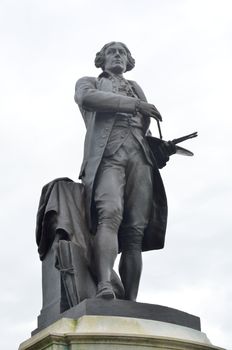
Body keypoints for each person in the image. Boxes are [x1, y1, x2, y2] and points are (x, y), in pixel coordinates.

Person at [74, 42, 167, 301]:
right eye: (112, 52)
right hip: (108, 156)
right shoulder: (88, 82)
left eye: (122, 52)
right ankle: (105, 283)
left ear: (129, 61)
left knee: (135, 231)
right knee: (110, 214)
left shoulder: (136, 87)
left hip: (140, 157)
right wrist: (135, 105)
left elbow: (144, 131)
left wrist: (161, 149)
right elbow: (88, 99)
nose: (117, 55)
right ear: (101, 60)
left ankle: (131, 301)